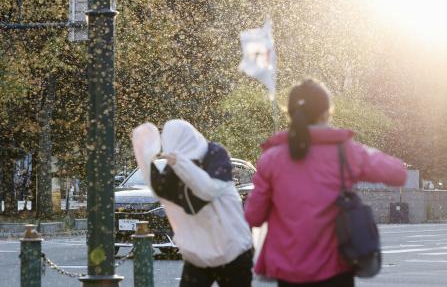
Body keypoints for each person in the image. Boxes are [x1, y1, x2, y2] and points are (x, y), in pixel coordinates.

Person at [244, 79, 407, 287]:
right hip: (335, 268)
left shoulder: (272, 158)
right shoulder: (345, 151)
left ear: (290, 113)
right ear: (327, 112)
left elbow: (253, 216)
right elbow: (398, 173)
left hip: (288, 270)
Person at [132, 119, 253, 287]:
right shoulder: (174, 168)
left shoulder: (214, 154)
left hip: (233, 250)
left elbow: (208, 190)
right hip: (199, 255)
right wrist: (145, 156)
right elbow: (160, 188)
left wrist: (180, 163)